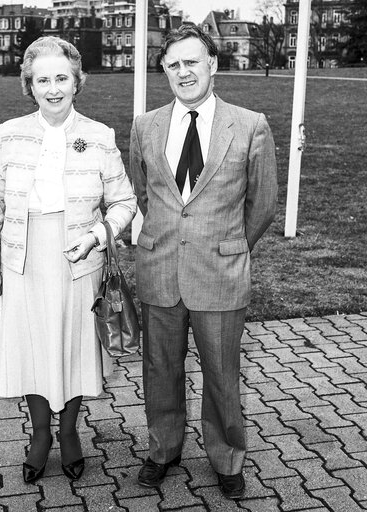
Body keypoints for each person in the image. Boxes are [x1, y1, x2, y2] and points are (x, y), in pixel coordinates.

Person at [0, 36, 136, 484]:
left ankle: (69, 434)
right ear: (29, 84)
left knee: (71, 349)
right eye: (42, 79)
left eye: (61, 78)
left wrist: (97, 235)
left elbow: (124, 202)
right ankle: (40, 435)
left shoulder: (99, 135)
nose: (53, 88)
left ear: (76, 81)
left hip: (77, 259)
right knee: (33, 350)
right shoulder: (8, 133)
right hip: (24, 261)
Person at [129, 23, 278, 498]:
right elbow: (143, 194)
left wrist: (231, 244)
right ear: (164, 71)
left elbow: (264, 203)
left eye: (192, 62)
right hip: (160, 270)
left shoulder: (250, 124)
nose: (183, 71)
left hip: (221, 273)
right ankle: (163, 449)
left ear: (212, 64)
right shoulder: (145, 125)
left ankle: (228, 457)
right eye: (173, 64)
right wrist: (169, 237)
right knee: (160, 370)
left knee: (221, 374)